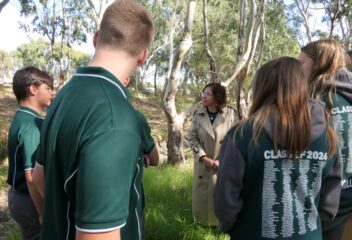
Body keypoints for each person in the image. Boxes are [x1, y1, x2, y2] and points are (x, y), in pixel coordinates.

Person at [31, 1, 154, 239]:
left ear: (96, 38)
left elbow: (38, 176)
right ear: (143, 56)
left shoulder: (64, 96)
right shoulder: (115, 118)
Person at [214, 56, 342, 240]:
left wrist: (231, 227)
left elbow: (225, 200)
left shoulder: (242, 135)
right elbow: (329, 202)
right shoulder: (328, 136)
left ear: (262, 87)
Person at [299, 39, 352, 240]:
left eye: (302, 62)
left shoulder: (312, 100)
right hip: (345, 201)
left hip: (318, 202)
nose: (298, 68)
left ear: (318, 63)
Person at [7, 66, 54, 240]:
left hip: (20, 197)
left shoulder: (21, 117)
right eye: (48, 88)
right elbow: (32, 177)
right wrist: (43, 212)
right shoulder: (31, 125)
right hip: (30, 200)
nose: (52, 93)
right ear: (33, 89)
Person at [188, 82, 237, 226]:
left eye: (208, 93)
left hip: (222, 164)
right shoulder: (198, 114)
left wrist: (222, 160)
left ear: (218, 97)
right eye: (203, 93)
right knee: (202, 195)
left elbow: (236, 139)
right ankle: (201, 225)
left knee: (221, 193)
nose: (203, 96)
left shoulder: (231, 114)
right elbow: (192, 138)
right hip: (203, 164)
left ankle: (221, 225)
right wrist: (203, 157)